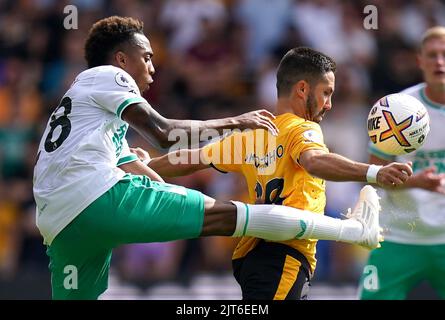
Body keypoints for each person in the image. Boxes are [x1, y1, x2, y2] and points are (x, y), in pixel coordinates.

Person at [33, 17, 389, 300]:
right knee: (224, 215)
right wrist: (236, 120)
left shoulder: (90, 118)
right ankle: (351, 230)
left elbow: (153, 173)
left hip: (59, 222)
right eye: (146, 58)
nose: (153, 68)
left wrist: (167, 205)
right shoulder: (106, 75)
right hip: (95, 197)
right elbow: (164, 133)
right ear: (121, 60)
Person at [146, 47, 413, 300]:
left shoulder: (253, 135)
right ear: (302, 89)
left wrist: (144, 166)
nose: (329, 104)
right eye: (326, 92)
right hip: (285, 255)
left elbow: (191, 159)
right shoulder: (301, 129)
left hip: (253, 257)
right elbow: (314, 160)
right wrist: (374, 172)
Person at [359, 26, 445, 300]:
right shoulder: (397, 109)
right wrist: (417, 182)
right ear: (419, 60)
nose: (439, 62)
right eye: (432, 55)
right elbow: (374, 174)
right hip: (400, 235)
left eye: (444, 54)